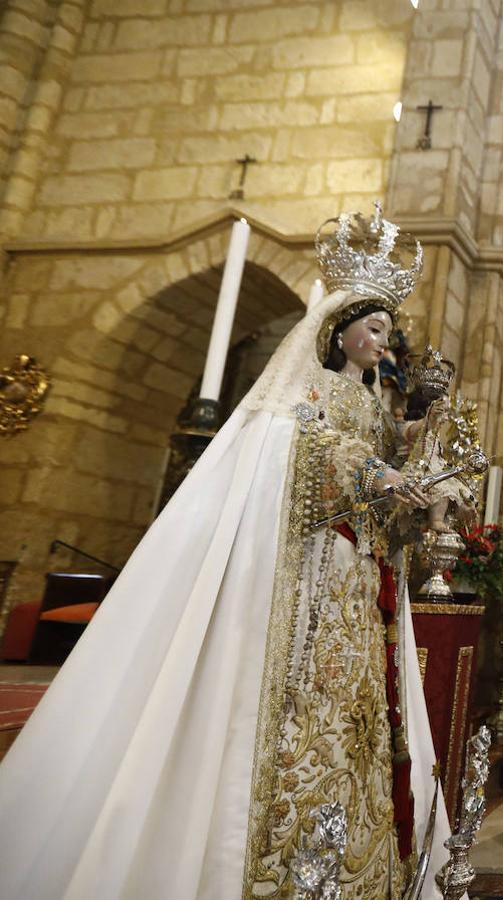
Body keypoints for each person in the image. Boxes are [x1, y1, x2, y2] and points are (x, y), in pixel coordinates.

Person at [0, 209, 462, 898]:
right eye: (373, 328)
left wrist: (420, 476)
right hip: (303, 582)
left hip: (358, 590)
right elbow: (297, 452)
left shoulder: (372, 403)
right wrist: (370, 472)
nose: (382, 342)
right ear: (339, 330)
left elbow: (382, 484)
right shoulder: (302, 392)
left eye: (389, 332)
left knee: (356, 725)